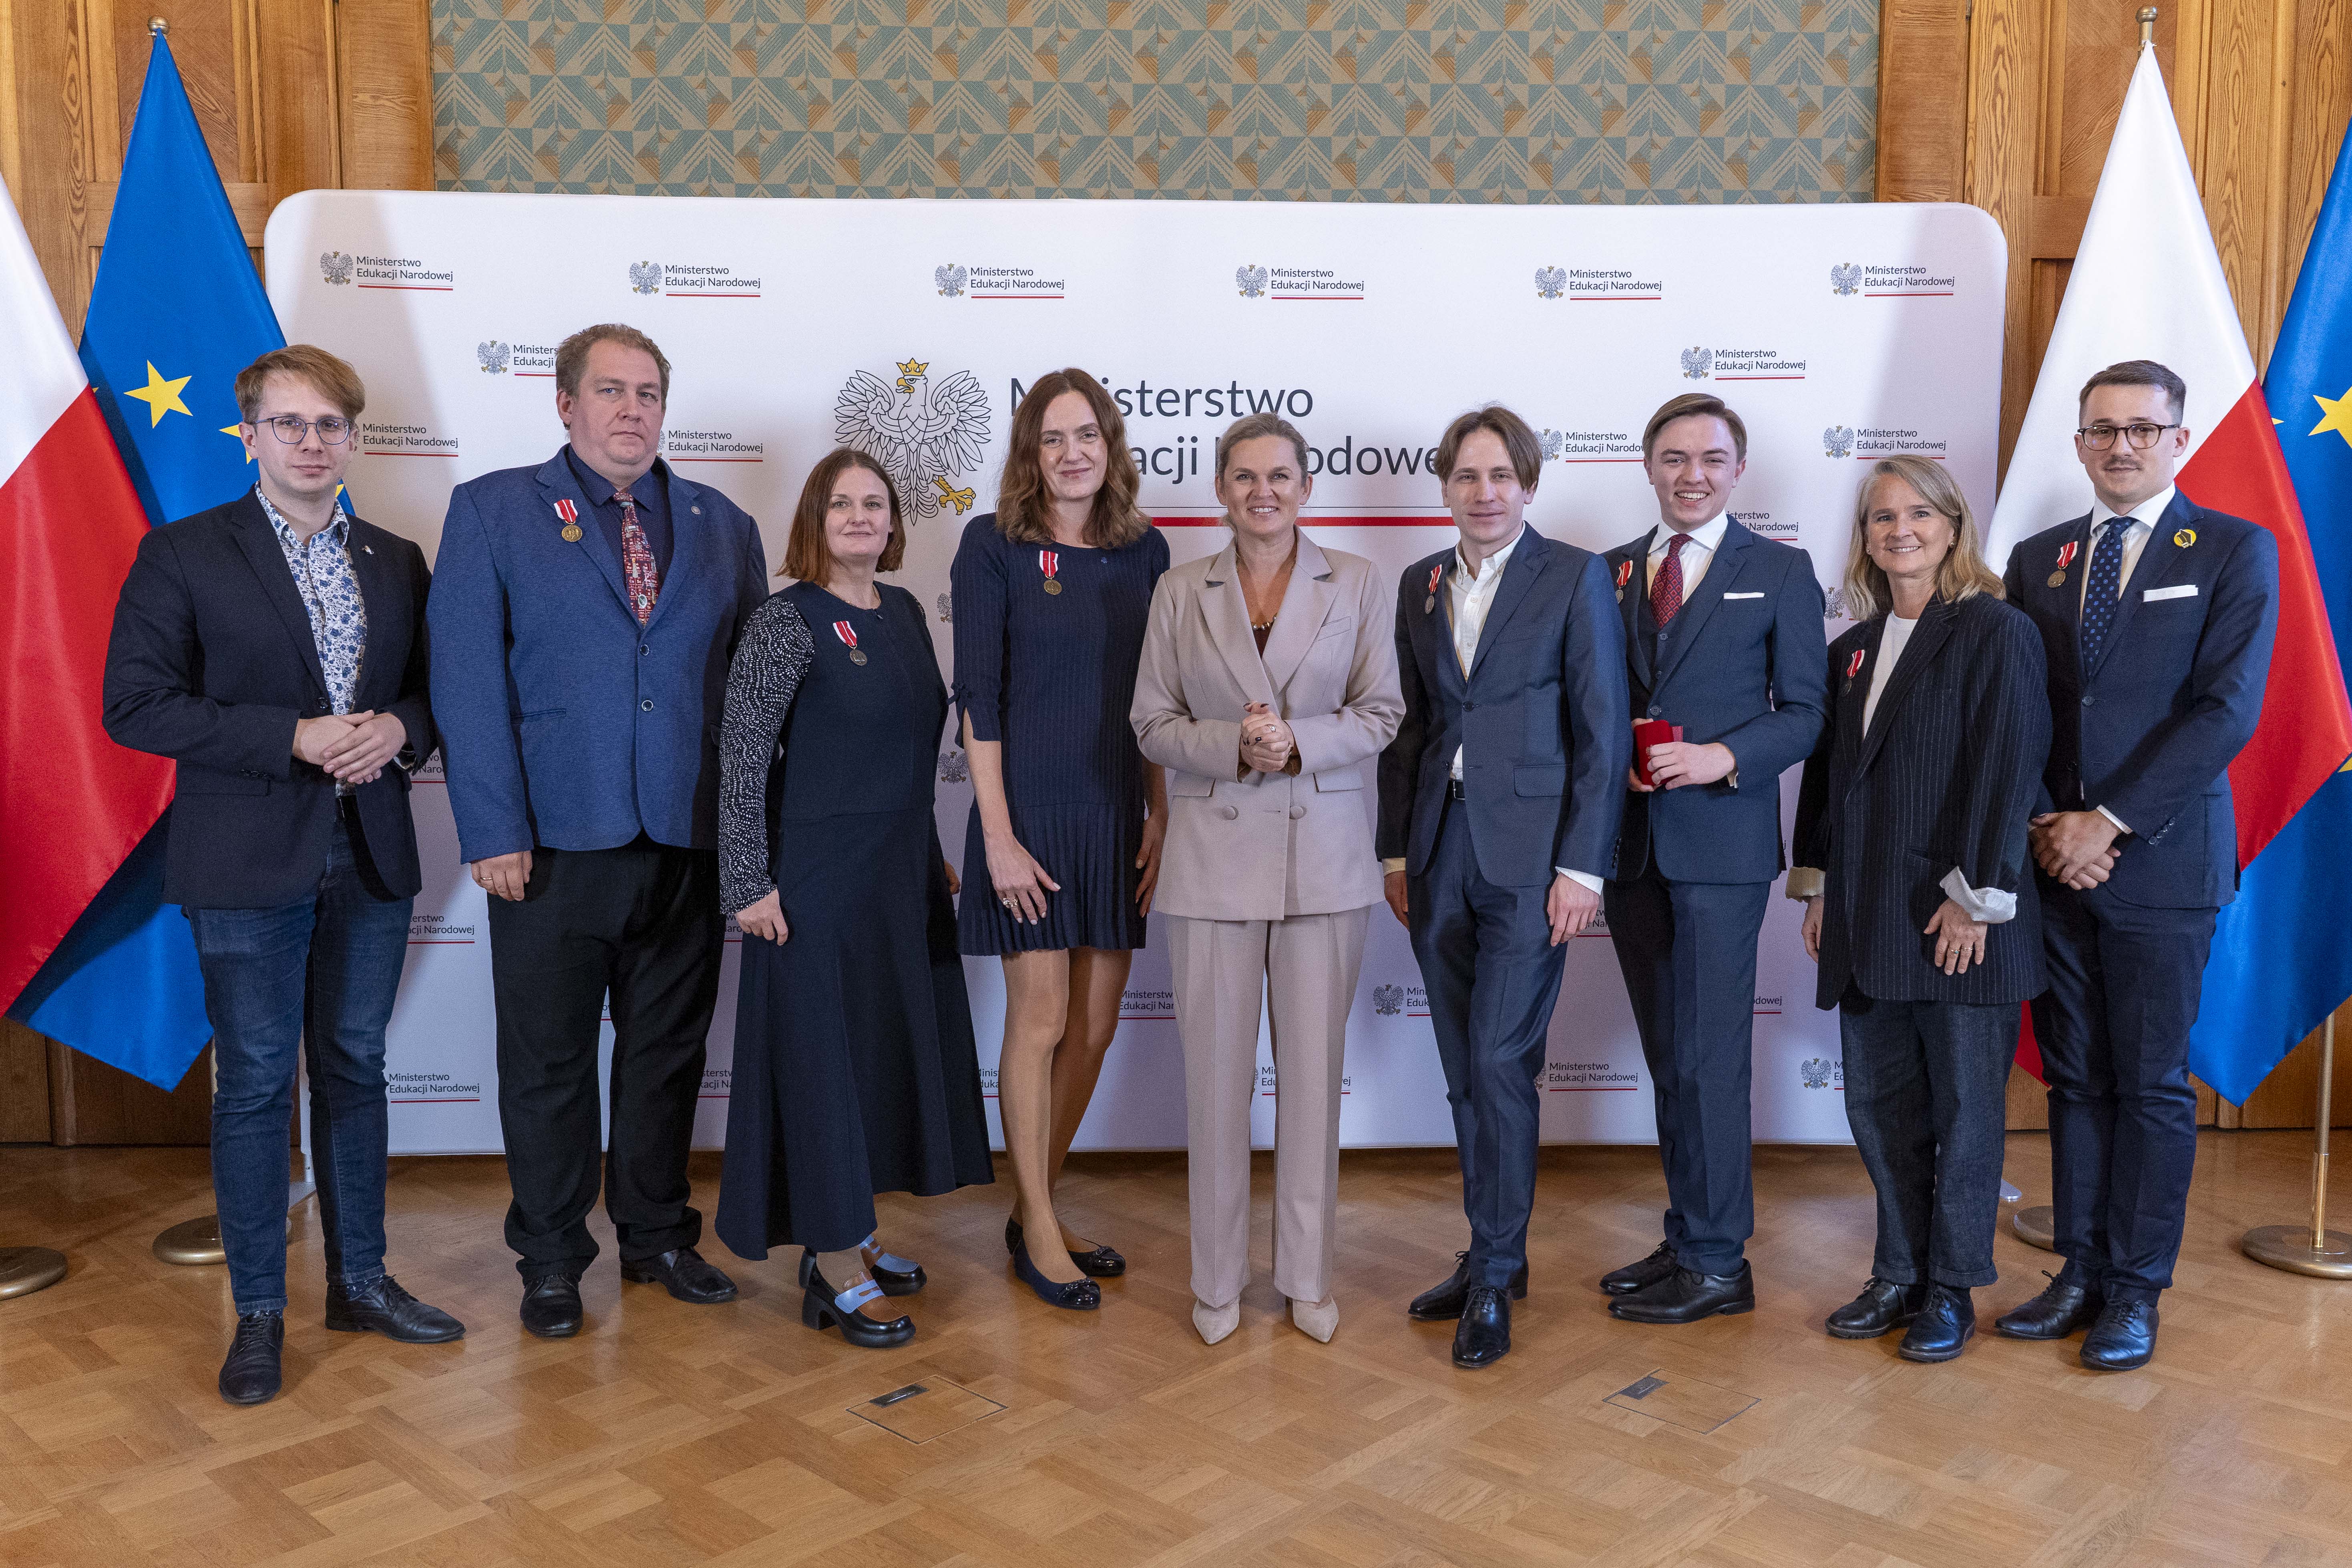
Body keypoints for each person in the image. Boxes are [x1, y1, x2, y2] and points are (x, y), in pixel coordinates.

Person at [102, 344, 461, 1405]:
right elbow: (134, 704)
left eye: (330, 424)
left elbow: (437, 693)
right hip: (245, 856)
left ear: (352, 438)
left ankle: (361, 1282)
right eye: (290, 423)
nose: (312, 442)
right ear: (250, 434)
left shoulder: (396, 558)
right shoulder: (183, 553)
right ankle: (259, 1309)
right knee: (259, 1081)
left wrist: (400, 727)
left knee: (355, 1066)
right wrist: (290, 735)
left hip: (372, 851)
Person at [427, 323, 769, 1338]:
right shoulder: (493, 510)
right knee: (549, 1064)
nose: (632, 409)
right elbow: (467, 683)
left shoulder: (722, 523)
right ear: (566, 402)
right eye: (611, 390)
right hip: (549, 846)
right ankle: (550, 1256)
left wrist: (745, 845)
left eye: (648, 392)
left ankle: (657, 1235)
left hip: (686, 841)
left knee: (667, 1054)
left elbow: (751, 699)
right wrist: (493, 826)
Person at [1995, 359, 2278, 1371]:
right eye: (2102, 429)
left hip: (2159, 863)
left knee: (2151, 1082)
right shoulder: (2039, 558)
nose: (2121, 445)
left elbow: (2226, 711)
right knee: (2076, 1078)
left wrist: (2106, 822)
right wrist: (2049, 823)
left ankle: (2135, 1290)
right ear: (2079, 443)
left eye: (2142, 429)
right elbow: (2021, 706)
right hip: (2054, 861)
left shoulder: (2235, 548)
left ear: (2178, 438)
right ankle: (2078, 1270)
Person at [1131, 412, 1404, 1345]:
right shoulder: (1180, 589)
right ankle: (1215, 1282)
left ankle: (1307, 1277)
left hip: (1323, 860)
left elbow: (1382, 711)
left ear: (1305, 486)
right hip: (1211, 863)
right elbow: (1152, 723)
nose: (1263, 492)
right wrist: (1232, 745)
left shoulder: (1357, 581)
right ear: (1220, 488)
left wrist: (1298, 743)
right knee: (1214, 1085)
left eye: (1280, 475)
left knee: (1314, 1082)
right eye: (1244, 476)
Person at [714, 449, 992, 1348]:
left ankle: (856, 1228)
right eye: (842, 503)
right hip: (815, 883)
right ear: (815, 519)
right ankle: (833, 1261)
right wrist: (747, 882)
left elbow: (909, 751)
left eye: (875, 503)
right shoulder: (783, 620)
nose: (861, 516)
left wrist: (933, 854)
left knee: (872, 1058)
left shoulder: (904, 611)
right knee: (822, 1064)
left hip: (898, 876)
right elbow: (742, 759)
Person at [1376, 404, 1631, 1369]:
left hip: (1533, 863)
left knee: (1499, 1060)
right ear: (1445, 486)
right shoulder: (1420, 581)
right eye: (1465, 476)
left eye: (1500, 476)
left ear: (1528, 484)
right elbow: (1410, 728)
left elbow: (1603, 730)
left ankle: (1492, 1275)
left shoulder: (1575, 575)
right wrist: (1394, 855)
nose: (1483, 493)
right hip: (1437, 853)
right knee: (1462, 1066)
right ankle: (1495, 1252)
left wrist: (1583, 866)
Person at [1788, 456, 2050, 1363]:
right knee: (1879, 1107)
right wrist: (1817, 886)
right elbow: (1828, 782)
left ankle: (1951, 1287)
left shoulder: (1997, 630)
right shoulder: (1852, 649)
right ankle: (1897, 1272)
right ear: (1864, 536)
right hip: (1866, 917)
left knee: (1966, 1116)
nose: (1899, 530)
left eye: (1919, 514)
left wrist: (1975, 899)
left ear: (1951, 526)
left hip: (1957, 920)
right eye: (1881, 516)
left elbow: (2006, 769)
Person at [1598, 392, 1827, 1326]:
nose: (1692, 474)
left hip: (1722, 849)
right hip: (1631, 848)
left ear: (1737, 470)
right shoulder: (1611, 570)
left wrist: (1721, 757)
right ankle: (1690, 1230)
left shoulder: (1780, 569)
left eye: (1710, 458)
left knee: (1712, 1058)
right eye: (1674, 457)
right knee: (1672, 1058)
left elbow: (1806, 712)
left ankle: (1721, 1261)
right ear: (1649, 465)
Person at [951, 369, 1168, 1309]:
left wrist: (1161, 811)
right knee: (1039, 1019)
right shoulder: (992, 544)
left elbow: (1158, 698)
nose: (1072, 453)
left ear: (1110, 446)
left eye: (1087, 435)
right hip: (1029, 815)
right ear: (1030, 453)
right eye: (1052, 437)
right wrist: (997, 837)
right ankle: (1039, 1225)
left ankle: (1033, 1200)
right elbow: (979, 699)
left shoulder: (1146, 550)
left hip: (1116, 811)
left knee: (1095, 1025)